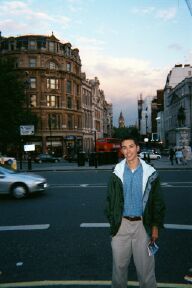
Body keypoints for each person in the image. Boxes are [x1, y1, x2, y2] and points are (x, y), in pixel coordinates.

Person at [105, 135, 166, 288]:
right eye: (124, 147)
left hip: (142, 225)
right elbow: (110, 200)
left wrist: (155, 226)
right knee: (118, 270)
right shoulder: (116, 172)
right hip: (122, 225)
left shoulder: (150, 173)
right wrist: (113, 221)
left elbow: (157, 202)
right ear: (122, 150)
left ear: (137, 148)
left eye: (131, 146)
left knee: (146, 272)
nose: (128, 151)